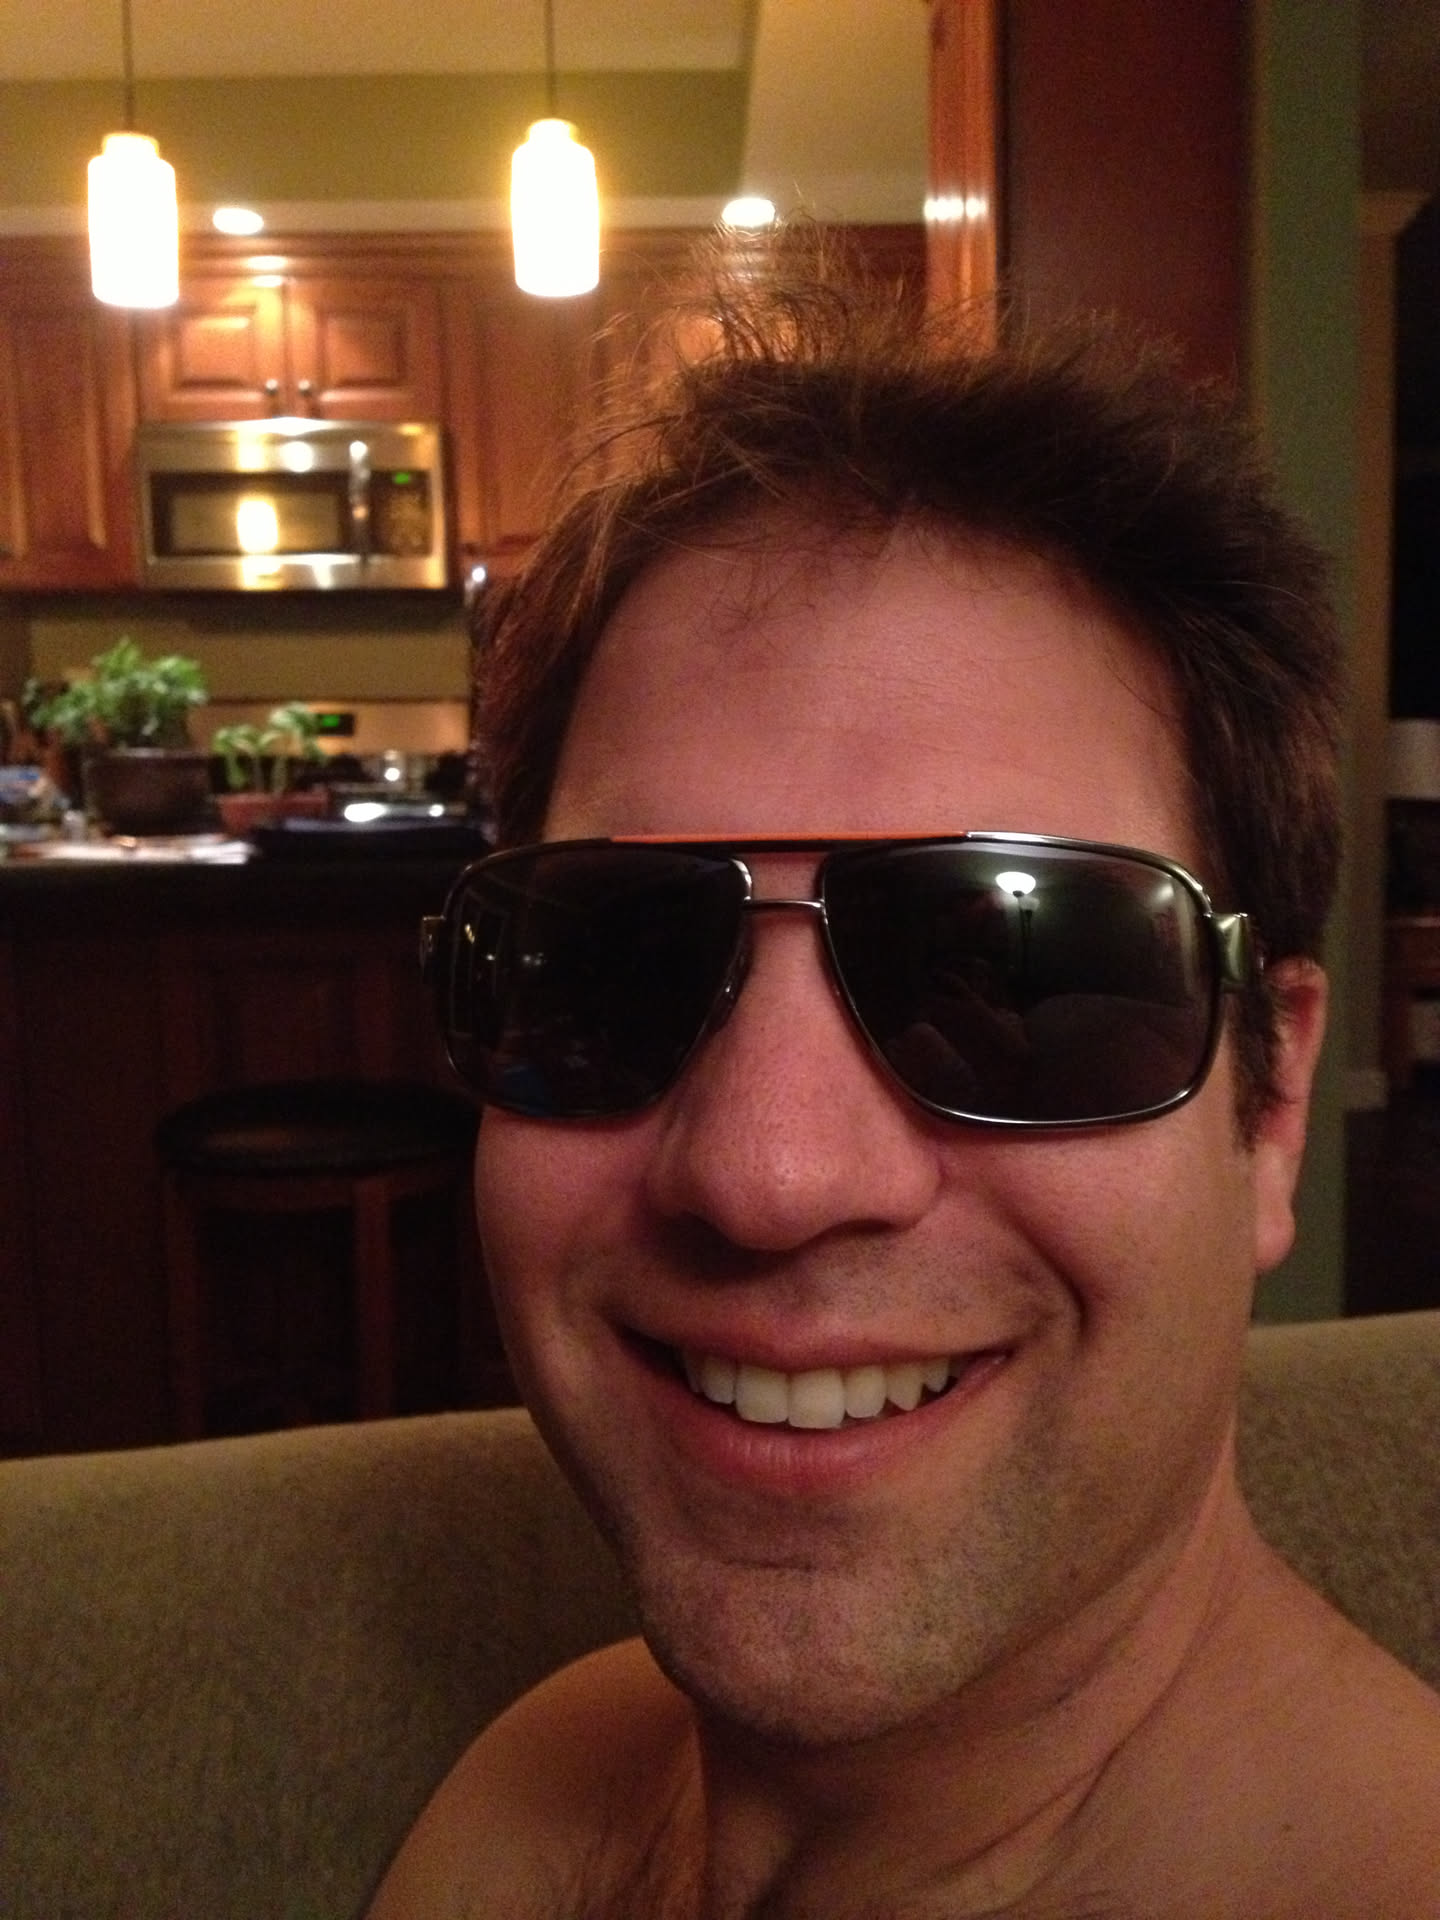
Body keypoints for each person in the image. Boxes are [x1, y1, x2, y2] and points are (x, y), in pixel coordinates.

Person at [370, 253, 1440, 1918]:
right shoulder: (536, 1787)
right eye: (616, 957)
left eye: (1013, 973)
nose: (768, 1172)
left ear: (1275, 1101)